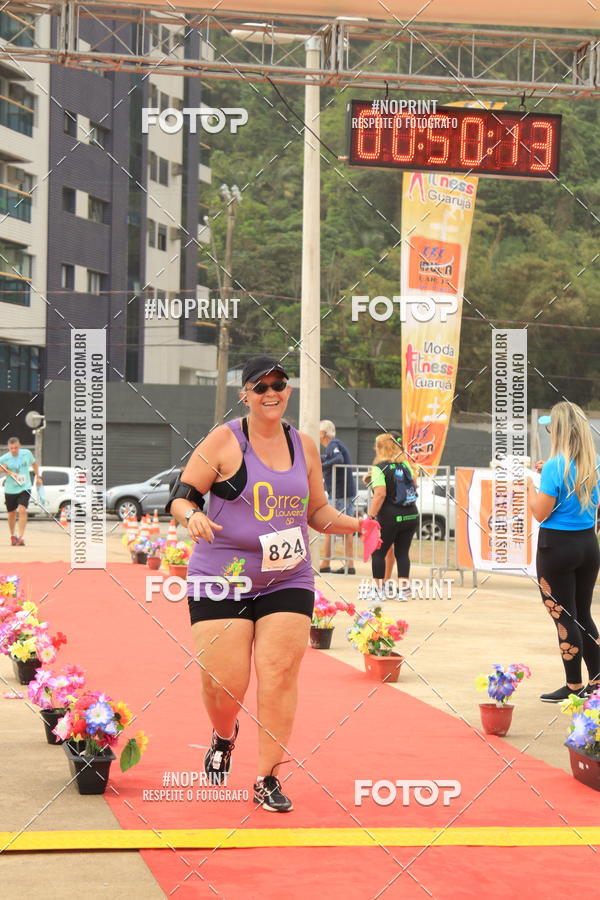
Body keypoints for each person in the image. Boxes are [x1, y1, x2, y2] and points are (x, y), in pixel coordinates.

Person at [169, 355, 367, 812]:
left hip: (287, 577)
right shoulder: (224, 440)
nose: (271, 392)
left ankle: (267, 777)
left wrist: (357, 525)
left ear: (288, 390)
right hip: (223, 576)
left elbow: (316, 512)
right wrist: (192, 515)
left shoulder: (305, 446)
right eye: (260, 387)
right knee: (224, 685)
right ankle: (224, 734)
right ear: (246, 395)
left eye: (279, 384)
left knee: (278, 675)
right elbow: (182, 495)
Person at [527, 403, 600, 702]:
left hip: (557, 546)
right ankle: (597, 682)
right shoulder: (593, 464)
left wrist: (529, 487)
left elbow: (540, 513)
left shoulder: (556, 466)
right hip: (587, 544)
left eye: (550, 427)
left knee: (563, 616)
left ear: (558, 430)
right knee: (583, 614)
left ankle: (573, 686)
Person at [366, 433, 419, 601]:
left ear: (381, 448)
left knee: (378, 552)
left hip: (390, 516)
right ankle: (404, 590)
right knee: (402, 552)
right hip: (411, 514)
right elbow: (414, 485)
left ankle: (377, 590)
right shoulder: (405, 465)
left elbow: (380, 494)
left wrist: (370, 516)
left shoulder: (379, 468)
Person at [319, 420, 357, 574]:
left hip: (340, 493)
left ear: (323, 433)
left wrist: (320, 466)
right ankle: (346, 564)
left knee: (332, 526)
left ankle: (327, 562)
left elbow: (338, 459)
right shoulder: (335, 445)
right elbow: (332, 458)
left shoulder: (333, 444)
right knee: (343, 527)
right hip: (343, 492)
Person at [0, 437, 42, 546]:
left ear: (19, 446)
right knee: (11, 513)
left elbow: (34, 464)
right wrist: (5, 470)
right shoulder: (4, 458)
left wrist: (38, 476)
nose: (14, 450)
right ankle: (13, 535)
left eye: (16, 448)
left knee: (22, 509)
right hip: (10, 489)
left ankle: (21, 537)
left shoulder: (26, 453)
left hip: (24, 487)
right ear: (8, 448)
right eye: (11, 448)